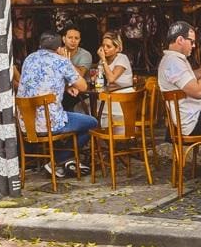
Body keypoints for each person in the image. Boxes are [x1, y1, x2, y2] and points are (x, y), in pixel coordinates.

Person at [17, 31, 95, 178]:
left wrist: (66, 86)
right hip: (49, 123)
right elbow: (83, 86)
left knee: (68, 117)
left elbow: (41, 83)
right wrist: (66, 60)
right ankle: (58, 160)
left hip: (26, 124)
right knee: (91, 123)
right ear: (59, 46)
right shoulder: (61, 61)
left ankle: (65, 161)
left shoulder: (29, 58)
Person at [158, 20, 201, 137]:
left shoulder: (174, 59)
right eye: (191, 42)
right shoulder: (173, 62)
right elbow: (198, 92)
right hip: (193, 120)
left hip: (195, 115)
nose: (194, 45)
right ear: (180, 40)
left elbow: (189, 77)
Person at [96, 31, 134, 129]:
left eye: (108, 46)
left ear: (117, 48)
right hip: (110, 94)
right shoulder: (102, 60)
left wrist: (103, 60)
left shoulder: (122, 58)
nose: (104, 49)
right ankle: (100, 137)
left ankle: (103, 136)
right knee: (82, 107)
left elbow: (111, 78)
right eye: (103, 45)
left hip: (123, 96)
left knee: (94, 109)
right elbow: (96, 78)